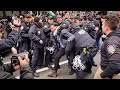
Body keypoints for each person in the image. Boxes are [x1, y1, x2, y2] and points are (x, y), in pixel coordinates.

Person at [94, 15, 120, 79]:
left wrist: (102, 75)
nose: (101, 26)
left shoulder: (111, 41)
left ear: (107, 28)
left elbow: (115, 65)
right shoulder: (114, 36)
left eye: (102, 25)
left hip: (109, 72)